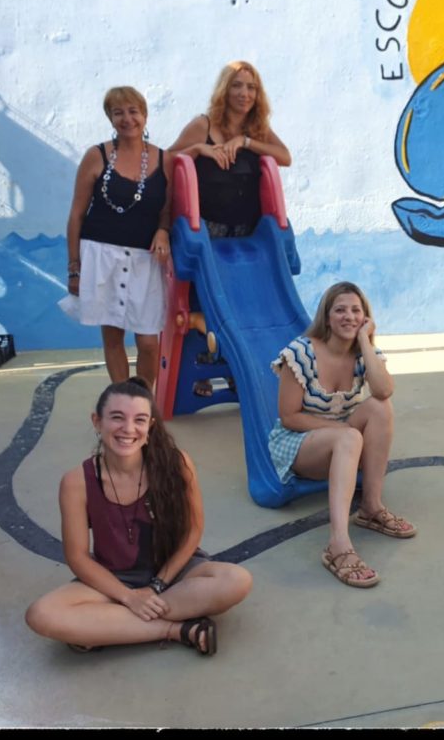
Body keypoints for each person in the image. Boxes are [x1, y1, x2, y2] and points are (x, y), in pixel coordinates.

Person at [25, 378, 253, 656]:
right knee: (42, 614)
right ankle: (178, 629)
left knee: (236, 580)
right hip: (114, 578)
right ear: (97, 422)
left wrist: (156, 586)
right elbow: (78, 558)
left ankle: (107, 626)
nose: (128, 428)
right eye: (117, 417)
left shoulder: (177, 463)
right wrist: (128, 597)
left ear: (150, 426)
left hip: (173, 573)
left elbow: (194, 530)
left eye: (140, 420)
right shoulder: (76, 482)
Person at [268, 282, 415, 589]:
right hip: (300, 443)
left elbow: (383, 390)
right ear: (327, 316)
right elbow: (289, 416)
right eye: (340, 310)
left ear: (365, 317)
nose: (349, 316)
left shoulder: (364, 353)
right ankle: (337, 544)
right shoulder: (300, 353)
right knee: (349, 438)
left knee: (380, 407)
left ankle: (371, 507)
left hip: (344, 439)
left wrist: (365, 341)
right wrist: (344, 431)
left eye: (356, 311)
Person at [169, 60, 291, 398]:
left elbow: (284, 156)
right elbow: (170, 159)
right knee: (204, 302)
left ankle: (238, 370)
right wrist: (200, 149)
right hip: (209, 233)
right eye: (237, 85)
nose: (244, 93)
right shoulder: (203, 124)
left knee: (241, 304)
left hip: (247, 235)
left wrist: (245, 142)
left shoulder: (257, 128)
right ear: (225, 90)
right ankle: (201, 372)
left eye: (251, 87)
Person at [60, 87, 173, 388]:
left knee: (148, 342)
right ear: (110, 118)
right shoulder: (95, 156)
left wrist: (163, 230)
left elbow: (168, 208)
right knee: (113, 337)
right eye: (118, 112)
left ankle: (144, 401)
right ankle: (122, 400)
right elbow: (76, 215)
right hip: (102, 255)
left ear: (145, 115)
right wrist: (74, 267)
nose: (127, 119)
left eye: (133, 111)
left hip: (146, 260)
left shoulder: (165, 159)